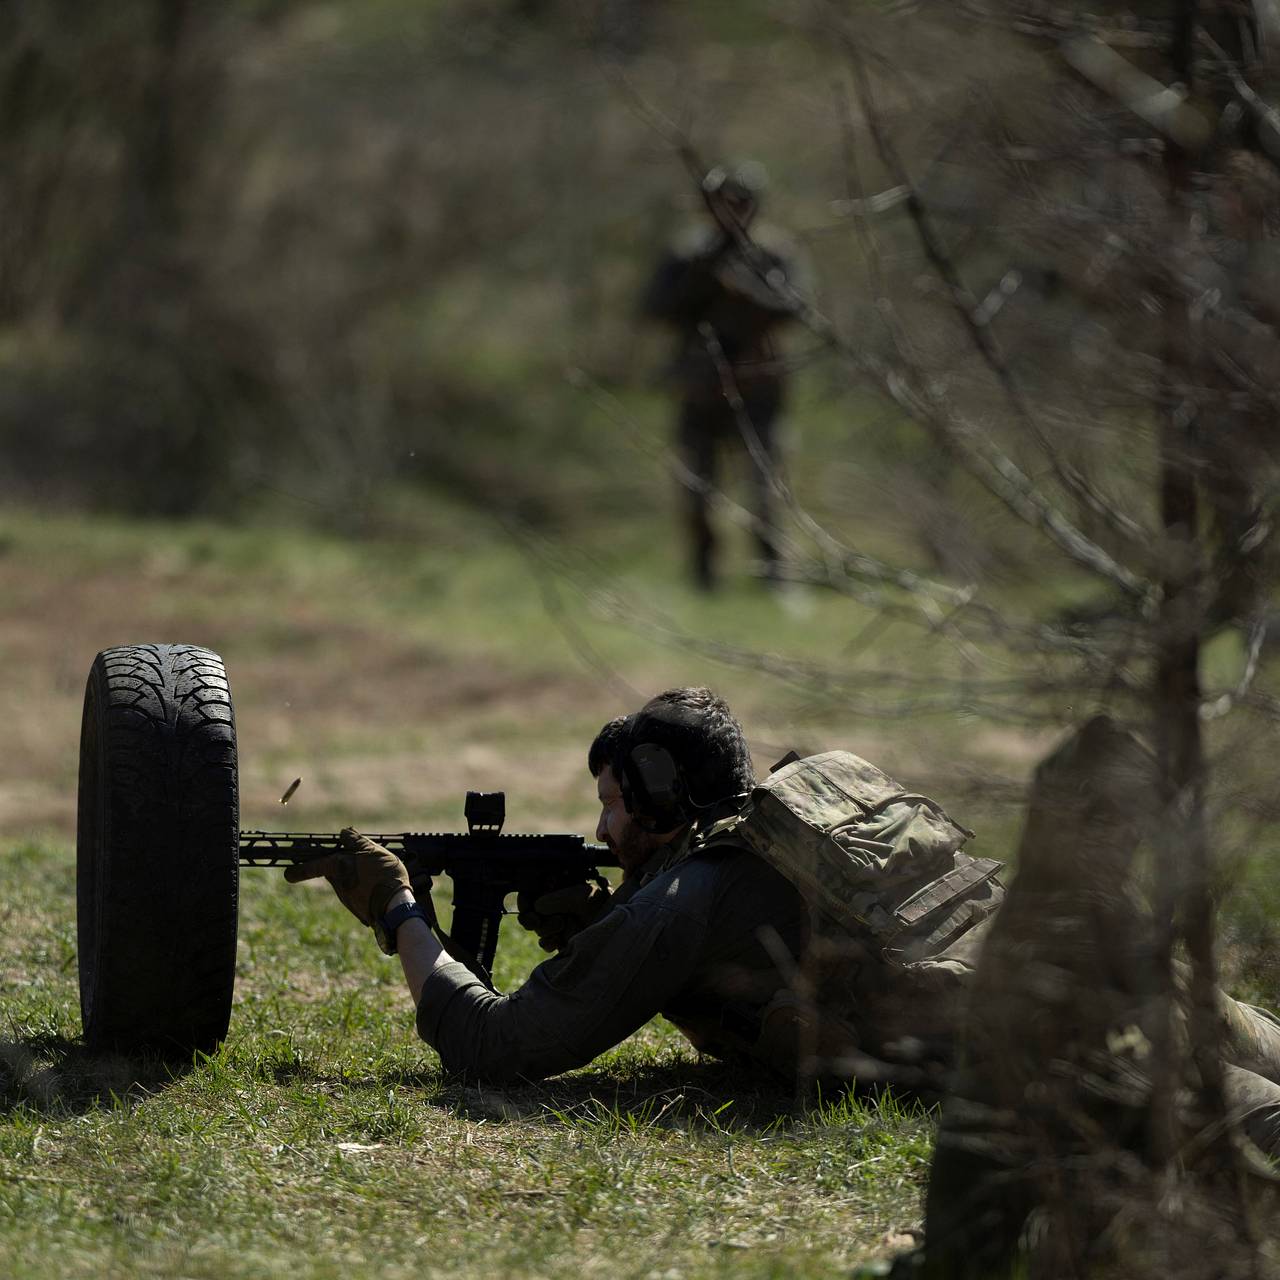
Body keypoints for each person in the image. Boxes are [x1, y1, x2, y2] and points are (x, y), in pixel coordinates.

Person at [281, 686, 989, 1087]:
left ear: (657, 796)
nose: (599, 829)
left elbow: (492, 1046)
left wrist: (397, 908)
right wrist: (599, 920)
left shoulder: (688, 897)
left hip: (969, 1060)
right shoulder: (774, 835)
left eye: (612, 805)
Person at [640, 164, 807, 590]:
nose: (732, 212)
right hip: (700, 386)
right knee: (697, 488)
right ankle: (704, 574)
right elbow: (655, 309)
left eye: (741, 203)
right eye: (723, 203)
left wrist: (746, 287)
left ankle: (772, 575)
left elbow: (796, 309)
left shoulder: (773, 254)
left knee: (763, 488)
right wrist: (702, 275)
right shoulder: (688, 254)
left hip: (758, 386)